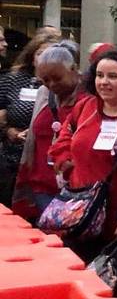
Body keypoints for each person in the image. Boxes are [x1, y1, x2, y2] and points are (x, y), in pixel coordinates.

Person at [49, 51, 117, 261]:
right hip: (80, 210)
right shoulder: (85, 107)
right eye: (99, 75)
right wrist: (65, 161)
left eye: (113, 76)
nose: (104, 82)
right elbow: (64, 136)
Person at [12, 41, 83, 222]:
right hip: (41, 186)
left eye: (57, 78)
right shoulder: (43, 93)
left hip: (77, 190)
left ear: (74, 69)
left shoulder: (91, 97)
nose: (51, 84)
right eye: (45, 80)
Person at [0, 35, 59, 203]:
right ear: (32, 56)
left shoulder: (63, 85)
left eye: (51, 53)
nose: (44, 58)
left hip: (47, 162)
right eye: (40, 53)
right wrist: (8, 131)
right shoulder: (13, 79)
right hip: (12, 159)